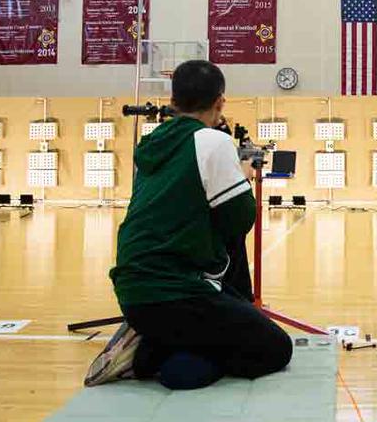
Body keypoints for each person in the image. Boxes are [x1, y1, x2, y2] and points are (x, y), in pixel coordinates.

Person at [84, 60, 292, 390]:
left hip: (133, 294)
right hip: (177, 293)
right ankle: (146, 358)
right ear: (220, 102)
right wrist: (242, 176)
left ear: (174, 99)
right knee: (275, 348)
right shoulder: (212, 141)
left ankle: (151, 339)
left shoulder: (151, 145)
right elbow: (240, 220)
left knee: (221, 321)